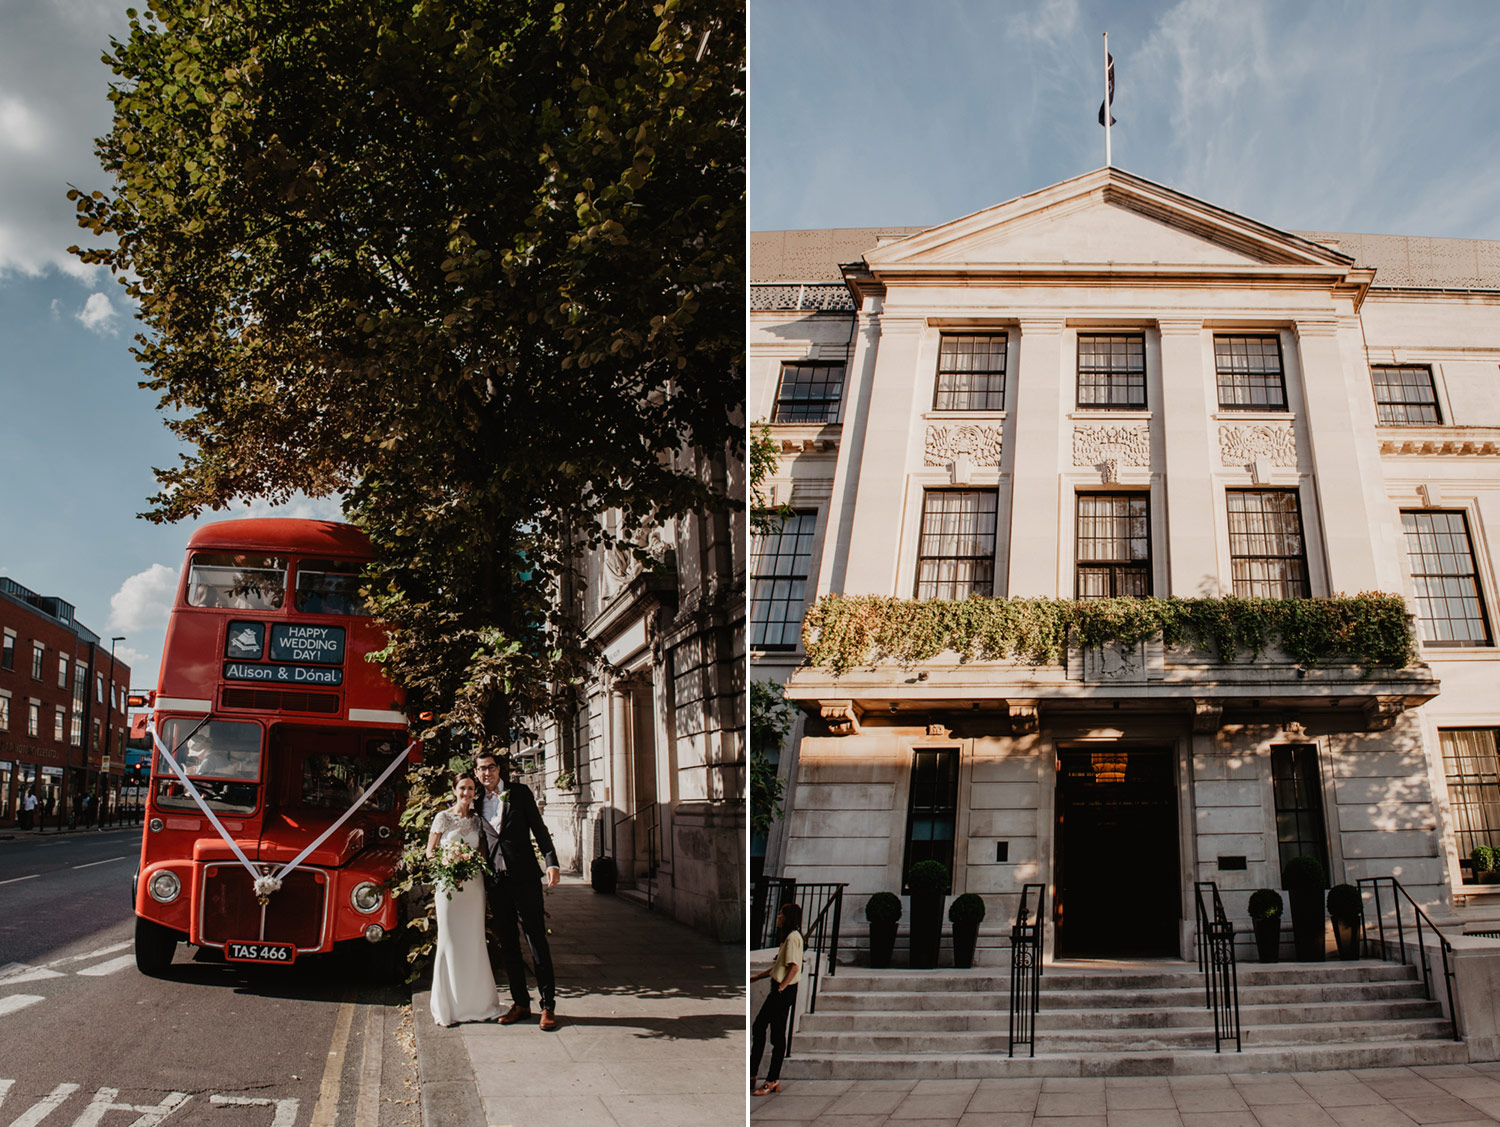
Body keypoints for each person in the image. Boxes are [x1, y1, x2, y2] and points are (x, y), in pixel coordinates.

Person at [474, 750, 562, 1031]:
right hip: (496, 882)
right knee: (509, 943)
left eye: (490, 767)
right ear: (476, 773)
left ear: (498, 769)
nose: (486, 773)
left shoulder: (520, 793)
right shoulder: (475, 801)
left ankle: (547, 1006)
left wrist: (552, 862)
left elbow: (539, 828)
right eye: (481, 770)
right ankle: (520, 1003)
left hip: (524, 878)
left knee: (536, 940)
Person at [426, 771, 505, 1027]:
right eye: (462, 788)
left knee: (473, 941)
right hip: (448, 888)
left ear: (475, 792)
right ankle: (448, 1007)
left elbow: (482, 855)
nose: (466, 793)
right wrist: (449, 865)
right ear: (454, 790)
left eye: (471, 789)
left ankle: (477, 1003)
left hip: (473, 887)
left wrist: (470, 863)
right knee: (449, 940)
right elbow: (430, 853)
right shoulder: (443, 817)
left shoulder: (477, 821)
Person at [750, 901, 804, 1097]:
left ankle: (771, 1080)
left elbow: (794, 967)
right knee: (763, 1028)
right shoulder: (787, 938)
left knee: (773, 1033)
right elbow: (778, 968)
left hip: (784, 990)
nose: (778, 917)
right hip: (781, 988)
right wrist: (756, 977)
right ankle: (755, 1075)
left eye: (781, 914)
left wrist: (780, 988)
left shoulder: (792, 938)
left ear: (788, 918)